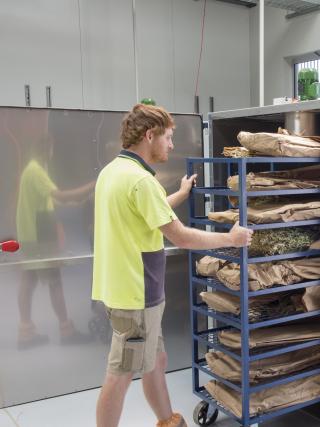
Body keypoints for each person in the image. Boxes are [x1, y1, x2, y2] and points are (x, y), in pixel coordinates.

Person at [92, 104, 253, 427]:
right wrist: (231, 239)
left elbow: (148, 213)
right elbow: (180, 236)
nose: (171, 145)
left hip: (125, 289)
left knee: (156, 361)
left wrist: (180, 194)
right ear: (149, 135)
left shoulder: (113, 172)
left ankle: (168, 420)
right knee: (121, 373)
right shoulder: (140, 180)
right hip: (135, 295)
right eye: (167, 137)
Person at [16, 133, 95, 349]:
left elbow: (51, 201)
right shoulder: (36, 171)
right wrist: (93, 184)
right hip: (38, 234)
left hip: (32, 231)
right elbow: (60, 196)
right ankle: (66, 331)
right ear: (46, 148)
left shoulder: (34, 170)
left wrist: (78, 200)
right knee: (54, 280)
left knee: (29, 279)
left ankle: (26, 333)